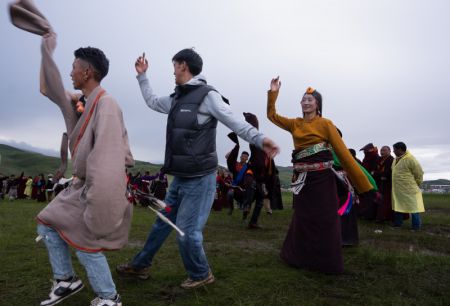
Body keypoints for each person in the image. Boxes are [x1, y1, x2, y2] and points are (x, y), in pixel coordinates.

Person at [116, 49, 279, 288]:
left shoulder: (208, 96)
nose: (172, 71)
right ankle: (140, 265)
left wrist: (260, 139)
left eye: (174, 66)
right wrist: (142, 77)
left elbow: (234, 121)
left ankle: (201, 273)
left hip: (200, 179)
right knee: (162, 223)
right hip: (180, 178)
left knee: (188, 232)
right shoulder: (176, 98)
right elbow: (152, 101)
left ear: (183, 65)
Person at [9, 11, 136, 302]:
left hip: (96, 189)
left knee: (85, 243)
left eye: (74, 67)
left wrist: (96, 202)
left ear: (87, 72)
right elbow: (47, 87)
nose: (70, 72)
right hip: (80, 186)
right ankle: (66, 279)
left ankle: (108, 297)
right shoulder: (83, 102)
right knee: (48, 223)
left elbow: (106, 160)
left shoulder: (107, 105)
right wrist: (46, 46)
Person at [267, 77, 374, 273]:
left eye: (310, 99)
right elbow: (272, 115)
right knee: (303, 218)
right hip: (302, 180)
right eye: (303, 99)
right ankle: (299, 257)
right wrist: (273, 92)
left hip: (323, 180)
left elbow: (343, 154)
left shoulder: (326, 124)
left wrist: (365, 186)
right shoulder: (294, 124)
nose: (306, 102)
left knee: (325, 219)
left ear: (317, 104)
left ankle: (326, 261)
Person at [391, 142, 425, 230]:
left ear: (400, 149)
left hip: (410, 189)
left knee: (414, 209)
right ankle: (397, 224)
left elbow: (419, 173)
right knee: (398, 206)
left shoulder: (410, 159)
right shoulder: (396, 159)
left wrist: (417, 183)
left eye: (394, 149)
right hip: (398, 189)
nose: (393, 151)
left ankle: (416, 227)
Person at [373, 145, 395, 222]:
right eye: (381, 150)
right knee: (378, 200)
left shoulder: (391, 160)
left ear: (389, 151)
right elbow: (374, 171)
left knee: (386, 201)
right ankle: (379, 216)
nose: (382, 152)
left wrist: (378, 174)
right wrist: (379, 174)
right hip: (379, 183)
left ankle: (385, 217)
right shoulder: (379, 159)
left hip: (388, 183)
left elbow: (388, 172)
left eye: (384, 150)